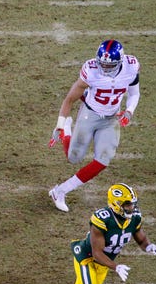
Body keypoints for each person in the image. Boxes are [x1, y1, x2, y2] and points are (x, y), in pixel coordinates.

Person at [24, 183, 156, 284]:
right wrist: (116, 267)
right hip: (87, 258)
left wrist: (147, 246)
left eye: (133, 204)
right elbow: (97, 253)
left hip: (103, 263)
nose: (131, 208)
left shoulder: (134, 218)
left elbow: (139, 236)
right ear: (116, 204)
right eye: (127, 204)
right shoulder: (102, 219)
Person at [48, 39, 140, 212]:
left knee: (103, 160)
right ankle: (68, 129)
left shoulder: (131, 66)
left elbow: (134, 92)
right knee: (73, 158)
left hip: (111, 117)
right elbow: (69, 99)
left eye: (109, 65)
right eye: (102, 64)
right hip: (89, 114)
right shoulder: (90, 71)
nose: (104, 68)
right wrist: (60, 126)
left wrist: (129, 111)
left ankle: (60, 191)